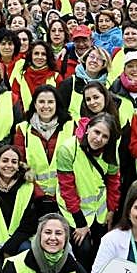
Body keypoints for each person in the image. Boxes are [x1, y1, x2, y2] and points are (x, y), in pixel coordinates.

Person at [55, 112, 121, 262]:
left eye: (105, 136)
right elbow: (67, 189)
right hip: (74, 213)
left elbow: (113, 182)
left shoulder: (110, 152)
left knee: (101, 251)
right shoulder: (67, 149)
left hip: (99, 212)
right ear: (88, 128)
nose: (99, 139)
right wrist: (81, 224)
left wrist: (112, 210)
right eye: (96, 132)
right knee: (83, 250)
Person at [0, 144, 52, 257]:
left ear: (18, 166)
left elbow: (29, 225)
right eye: (5, 161)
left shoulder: (29, 188)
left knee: (27, 249)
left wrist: (8, 249)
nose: (9, 165)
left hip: (19, 241)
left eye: (14, 162)